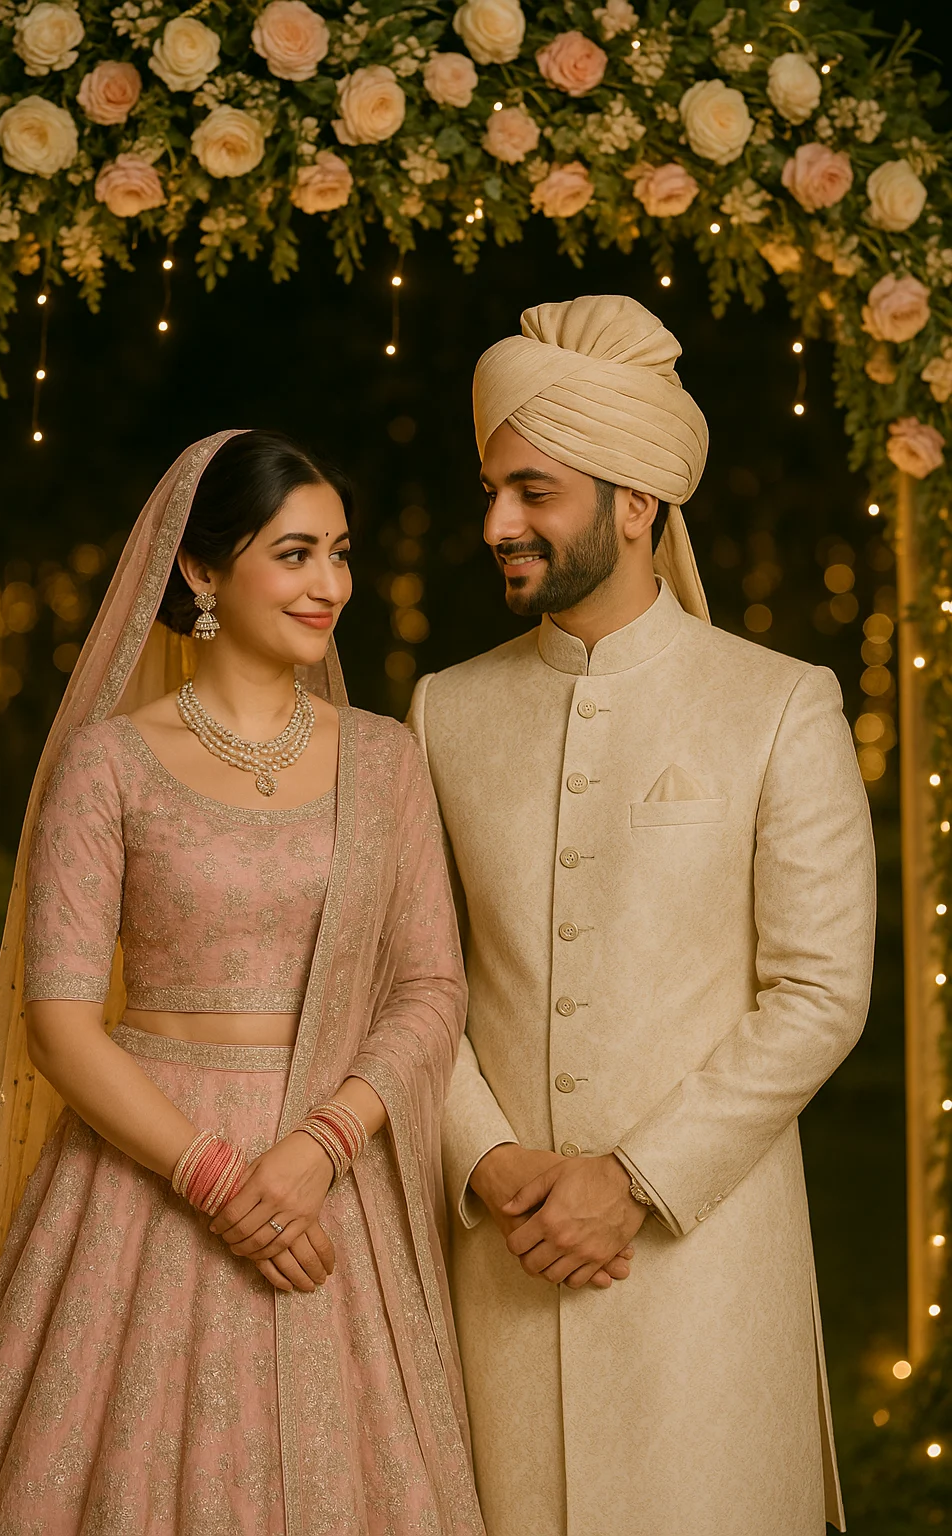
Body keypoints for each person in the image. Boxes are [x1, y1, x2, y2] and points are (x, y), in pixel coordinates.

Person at [0, 428, 485, 1536]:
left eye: (338, 553)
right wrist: (222, 1181)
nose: (330, 584)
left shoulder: (386, 760)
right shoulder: (109, 764)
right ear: (199, 571)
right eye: (293, 554)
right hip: (147, 1168)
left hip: (331, 1179)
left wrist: (321, 1146)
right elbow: (59, 1024)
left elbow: (429, 988)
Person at [408, 295, 876, 1536]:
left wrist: (637, 1178)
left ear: (636, 503)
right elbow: (414, 973)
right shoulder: (443, 710)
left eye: (533, 491)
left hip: (702, 1273)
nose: (498, 523)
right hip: (498, 1268)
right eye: (492, 490)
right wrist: (488, 1161)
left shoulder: (778, 704)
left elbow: (822, 992)